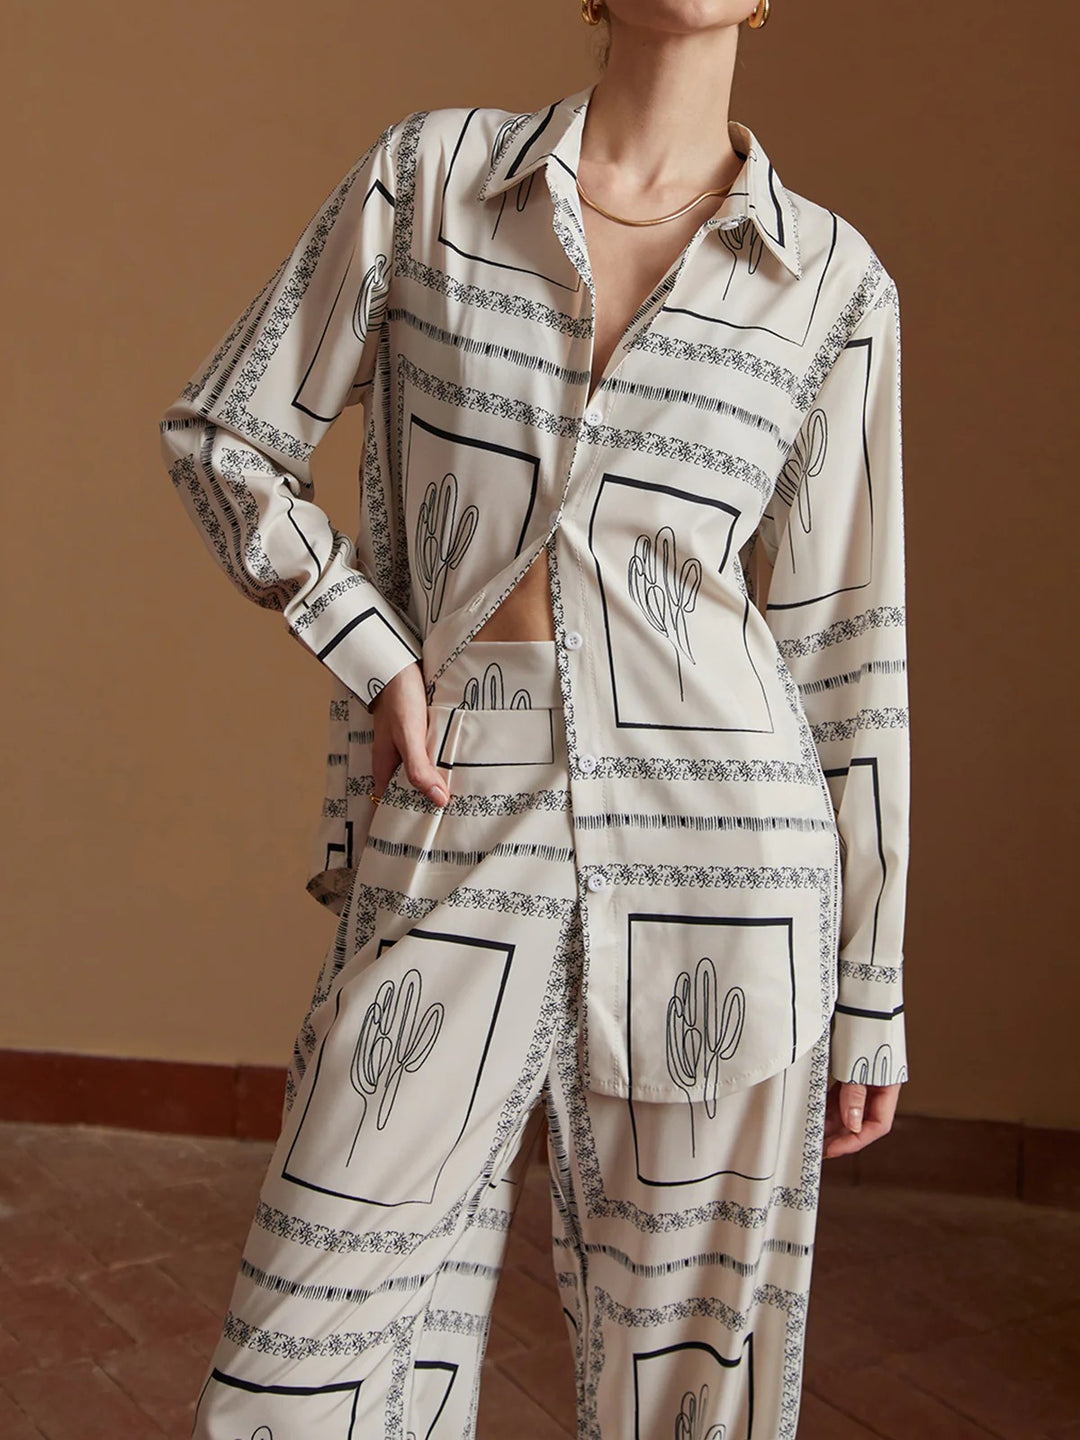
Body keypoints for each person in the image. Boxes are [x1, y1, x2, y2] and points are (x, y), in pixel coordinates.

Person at [157, 1, 911, 1434]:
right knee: (309, 1351)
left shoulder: (831, 282)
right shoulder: (430, 182)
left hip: (730, 862)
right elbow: (225, 435)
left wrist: (868, 982)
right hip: (468, 786)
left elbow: (844, 651)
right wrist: (378, 654)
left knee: (689, 1383)